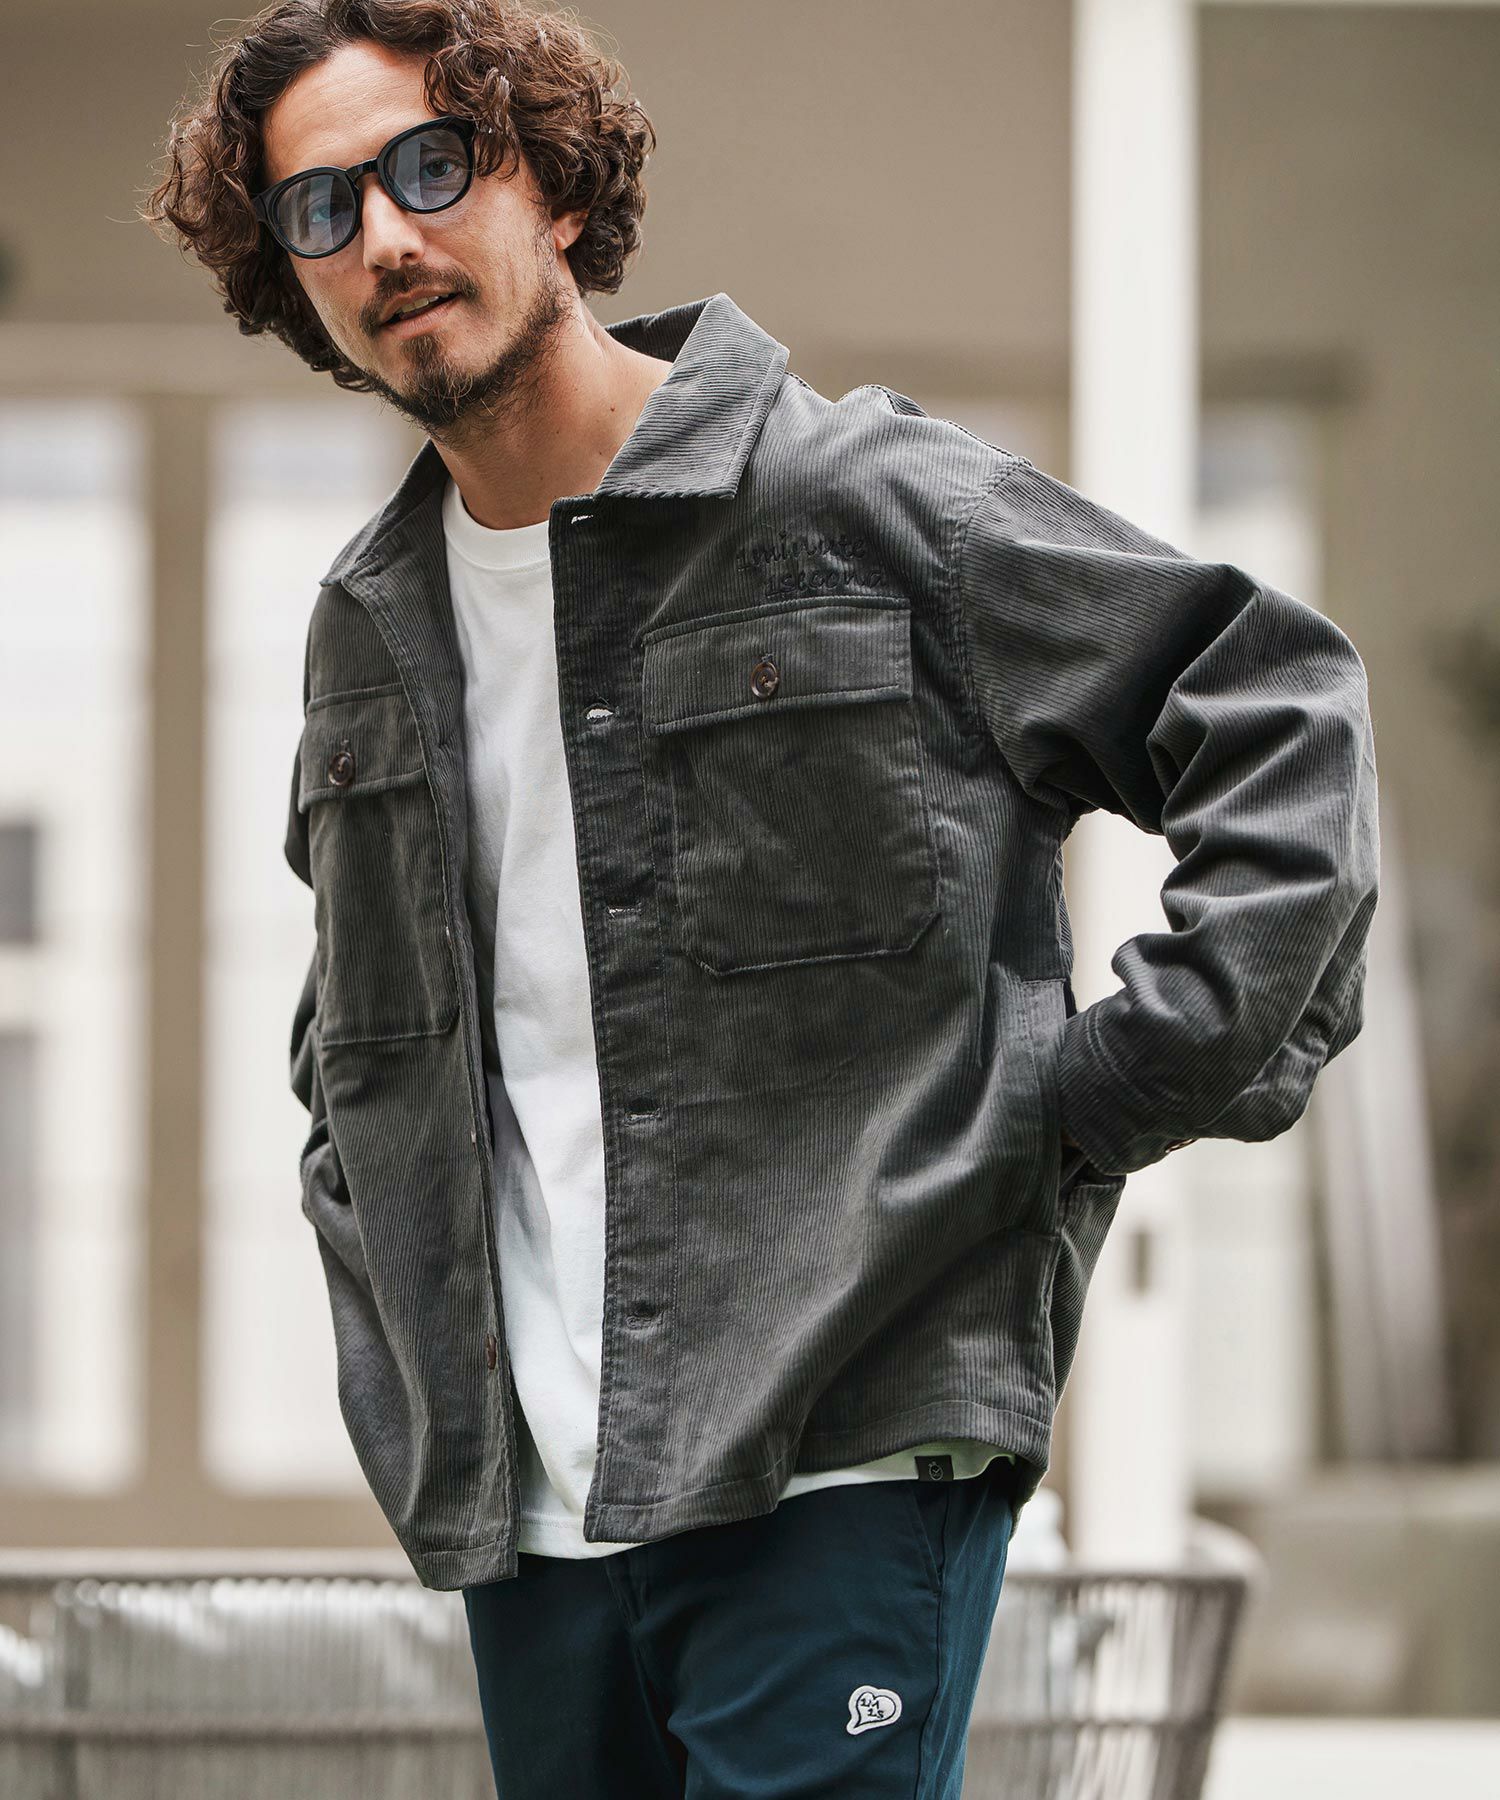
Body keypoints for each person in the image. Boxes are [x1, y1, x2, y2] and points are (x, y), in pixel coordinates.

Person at [140, 3, 1380, 1793]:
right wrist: (383, 1262)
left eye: (431, 166)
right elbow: (358, 1033)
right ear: (293, 279)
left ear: (555, 185)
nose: (386, 235)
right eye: (320, 209)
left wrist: (1095, 1093)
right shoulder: (368, 620)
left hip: (841, 1444)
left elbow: (1277, 714)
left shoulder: (856, 498)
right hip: (534, 1508)